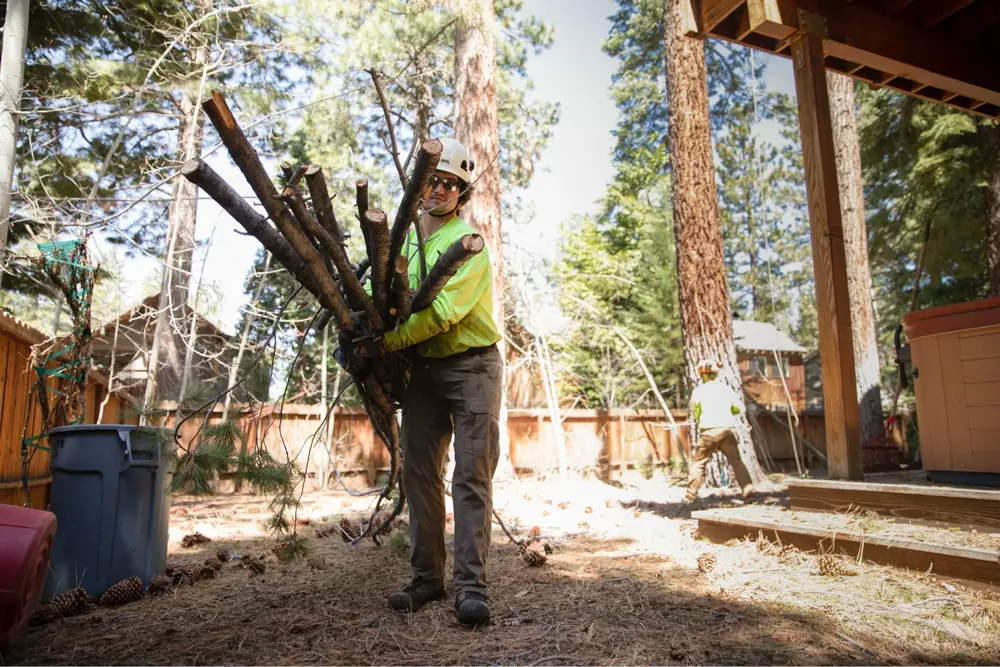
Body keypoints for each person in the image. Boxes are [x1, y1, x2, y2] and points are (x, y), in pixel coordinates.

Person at [351, 138, 502, 626]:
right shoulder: (405, 242)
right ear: (420, 187)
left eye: (449, 183)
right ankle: (427, 580)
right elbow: (388, 301)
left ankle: (471, 588)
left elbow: (440, 313)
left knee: (470, 476)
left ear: (461, 191)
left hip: (472, 366)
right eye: (432, 181)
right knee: (419, 472)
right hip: (424, 372)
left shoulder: (468, 246)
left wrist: (387, 344)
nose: (438, 189)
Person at [684, 359, 754, 502]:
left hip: (708, 432)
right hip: (727, 431)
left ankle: (690, 496)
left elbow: (696, 412)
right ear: (716, 373)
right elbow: (738, 409)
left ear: (702, 374)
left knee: (699, 462)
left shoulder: (698, 391)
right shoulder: (726, 389)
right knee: (736, 461)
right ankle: (747, 488)